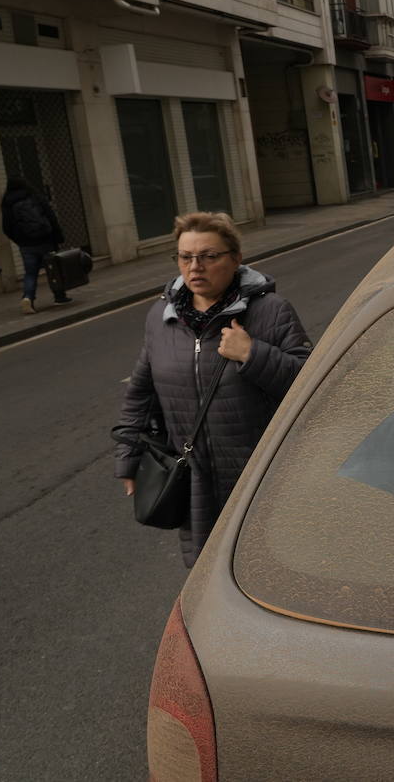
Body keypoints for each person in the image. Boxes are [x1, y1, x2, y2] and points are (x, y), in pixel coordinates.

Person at [112, 212, 311, 567]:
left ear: (235, 259)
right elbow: (141, 393)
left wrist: (252, 354)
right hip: (194, 479)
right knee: (207, 575)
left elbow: (310, 382)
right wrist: (128, 457)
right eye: (185, 257)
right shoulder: (161, 318)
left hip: (260, 475)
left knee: (269, 570)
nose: (195, 267)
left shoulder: (271, 312)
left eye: (208, 256)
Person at [0, 177, 70, 314]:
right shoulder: (35, 196)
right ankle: (60, 296)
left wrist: (19, 240)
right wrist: (58, 235)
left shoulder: (7, 203)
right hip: (45, 240)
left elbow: (6, 228)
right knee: (53, 270)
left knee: (30, 273)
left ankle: (28, 298)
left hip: (26, 245)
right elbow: (51, 216)